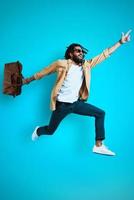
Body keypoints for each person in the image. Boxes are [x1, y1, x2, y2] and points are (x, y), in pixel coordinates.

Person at [23, 30, 131, 156]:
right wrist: (27, 80)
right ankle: (38, 131)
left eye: (82, 51)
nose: (81, 53)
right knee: (50, 130)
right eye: (78, 51)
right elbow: (43, 72)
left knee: (100, 113)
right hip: (61, 106)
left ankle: (98, 145)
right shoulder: (61, 64)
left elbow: (104, 55)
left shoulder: (86, 65)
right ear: (70, 53)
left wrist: (120, 42)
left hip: (76, 104)